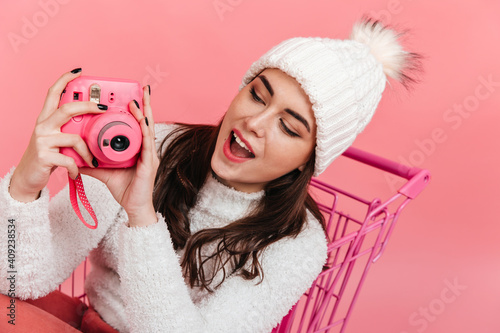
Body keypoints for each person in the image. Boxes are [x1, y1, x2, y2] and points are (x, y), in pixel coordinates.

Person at [0, 18, 420, 332]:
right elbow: (21, 278)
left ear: (307, 161)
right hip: (90, 320)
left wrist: (141, 216)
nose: (256, 122)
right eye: (257, 94)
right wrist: (24, 186)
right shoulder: (151, 147)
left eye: (289, 127)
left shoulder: (298, 245)